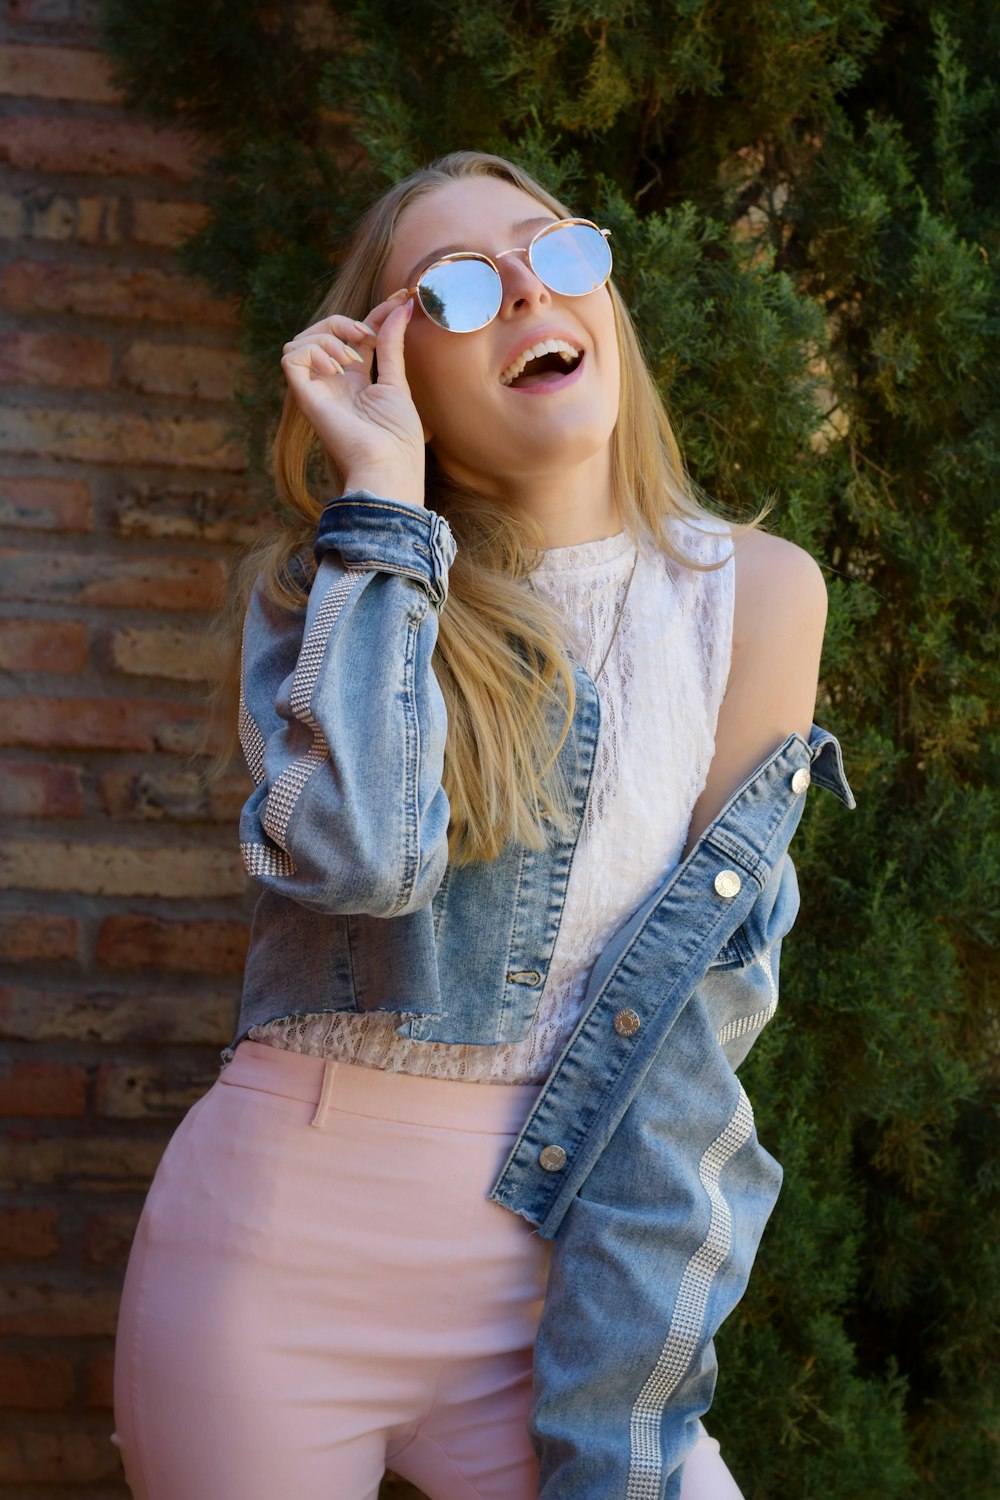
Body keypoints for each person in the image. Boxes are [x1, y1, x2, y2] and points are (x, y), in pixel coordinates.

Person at [112, 151, 853, 1500]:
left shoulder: (756, 597)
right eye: (456, 287)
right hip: (276, 1264)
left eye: (556, 252)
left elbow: (695, 1033)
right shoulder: (334, 593)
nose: (523, 289)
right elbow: (360, 860)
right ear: (391, 368)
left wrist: (625, 1397)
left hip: (557, 1288)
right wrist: (385, 503)